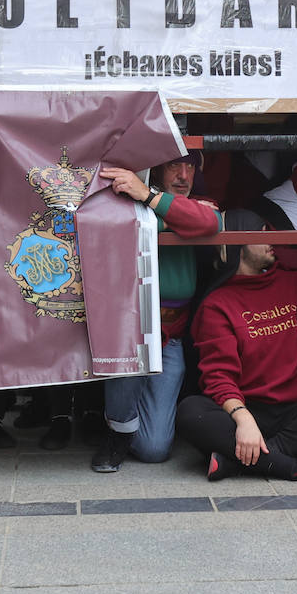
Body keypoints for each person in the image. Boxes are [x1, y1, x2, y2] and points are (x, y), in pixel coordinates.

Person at [175, 210, 297, 482]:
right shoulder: (217, 304)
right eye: (261, 232)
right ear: (238, 242)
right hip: (245, 408)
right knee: (190, 413)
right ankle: (296, 467)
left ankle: (242, 462)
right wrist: (243, 419)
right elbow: (218, 375)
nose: (271, 238)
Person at [93, 152, 222, 472]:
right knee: (124, 366)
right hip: (130, 332)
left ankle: (116, 420)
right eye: (173, 166)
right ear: (156, 169)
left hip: (171, 337)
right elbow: (124, 222)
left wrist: (149, 200)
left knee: (154, 450)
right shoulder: (127, 203)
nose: (183, 175)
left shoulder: (194, 203)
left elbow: (210, 221)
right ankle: (115, 430)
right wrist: (169, 215)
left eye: (190, 167)